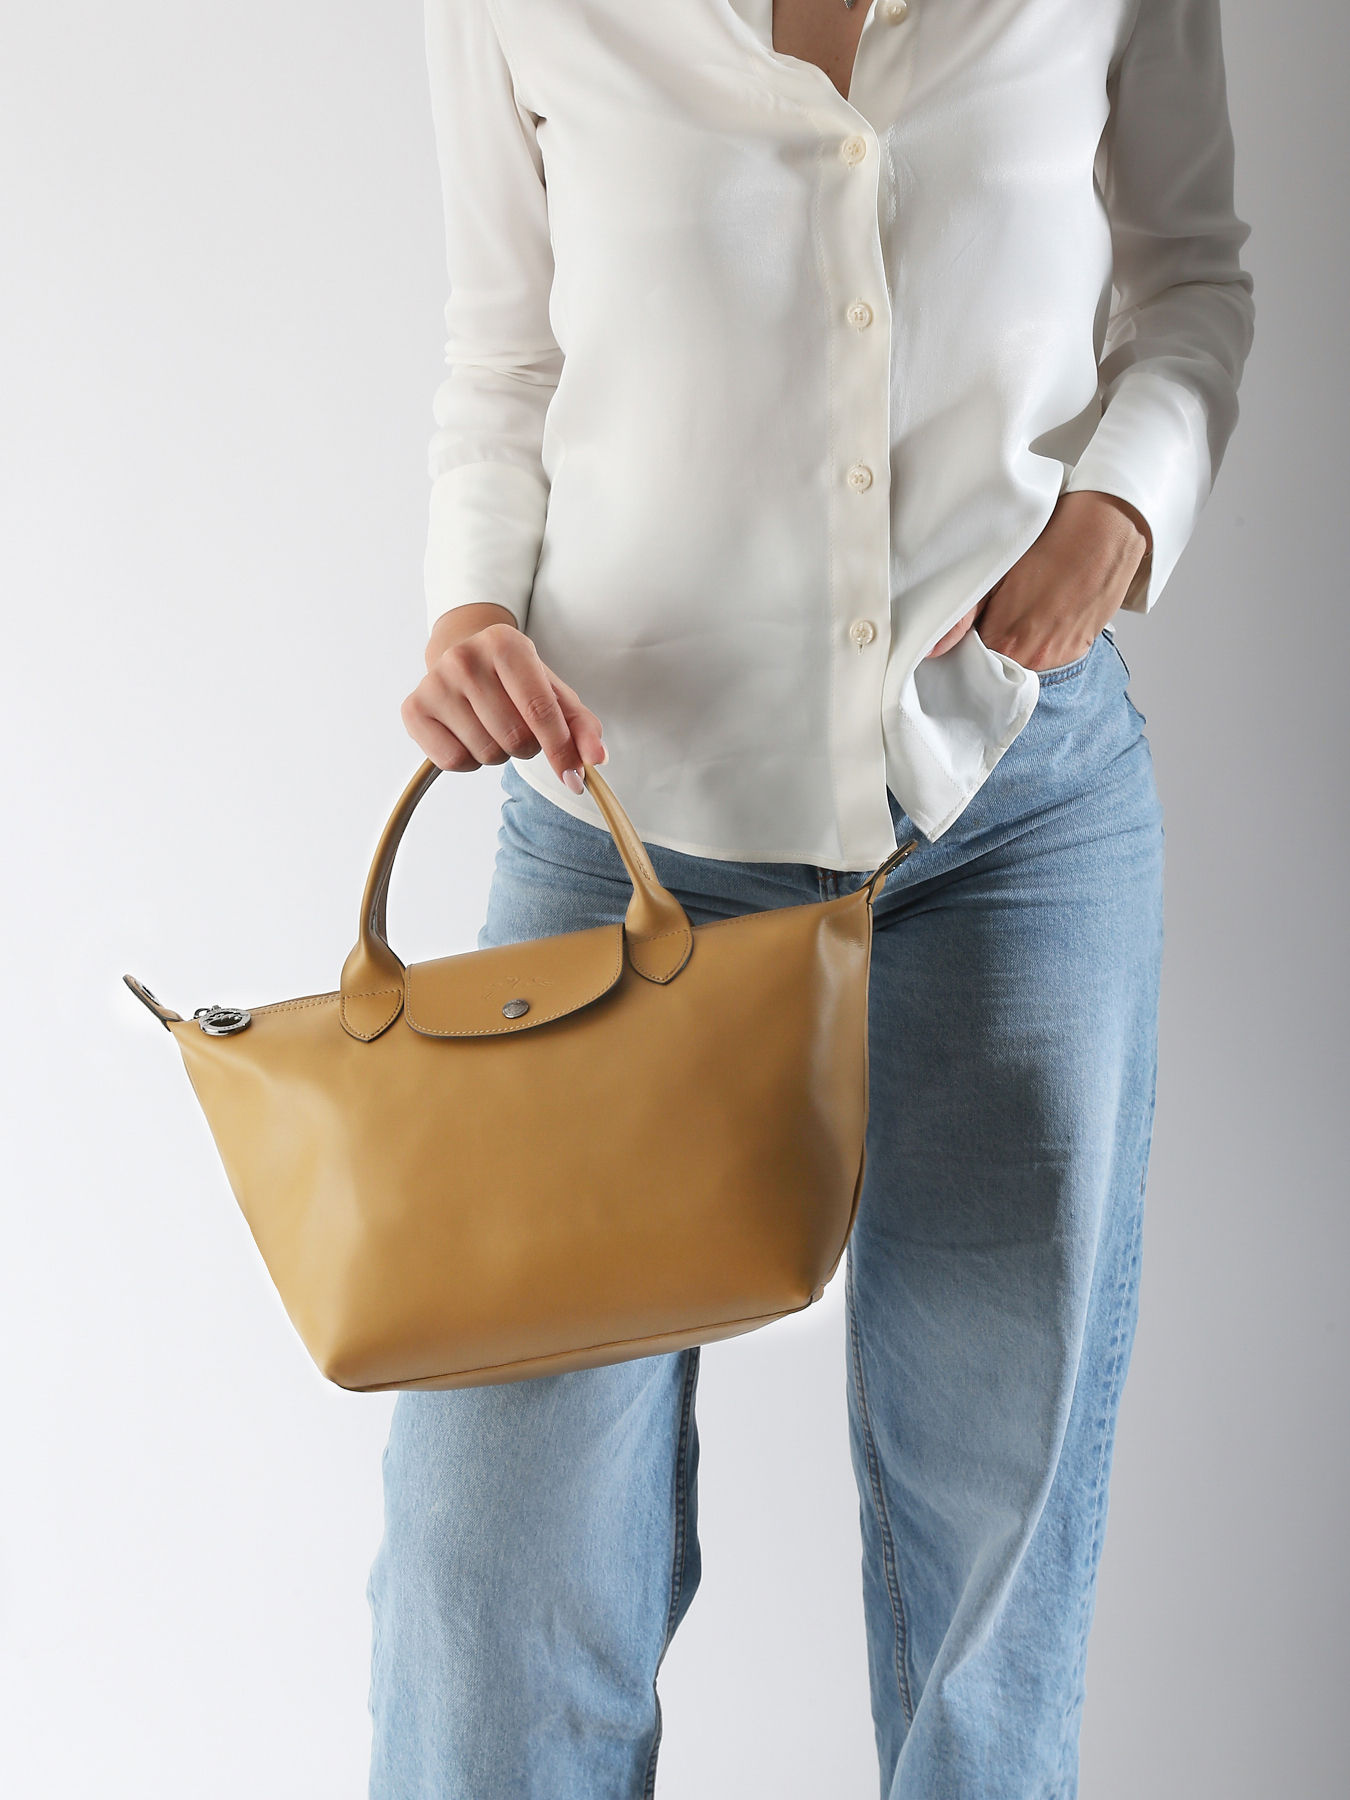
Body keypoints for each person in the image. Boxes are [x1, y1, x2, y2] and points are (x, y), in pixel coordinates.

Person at [367, 1, 1254, 1793]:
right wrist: (469, 608)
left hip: (1009, 807)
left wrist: (1118, 514)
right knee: (498, 1560)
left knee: (994, 1569)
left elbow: (1188, 287)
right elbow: (505, 356)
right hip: (621, 824)